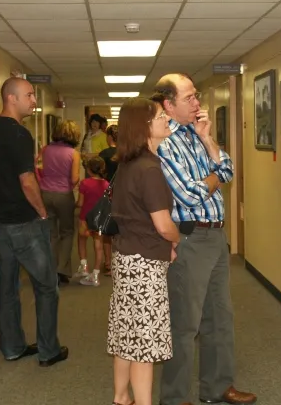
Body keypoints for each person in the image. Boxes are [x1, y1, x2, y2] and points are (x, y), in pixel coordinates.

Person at [152, 74, 256, 405]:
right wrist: (214, 177)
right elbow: (188, 194)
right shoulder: (164, 142)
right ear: (169, 105)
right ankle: (175, 397)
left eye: (197, 96)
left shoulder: (196, 135)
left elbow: (228, 168)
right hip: (190, 239)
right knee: (185, 324)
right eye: (190, 98)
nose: (198, 104)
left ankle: (217, 386)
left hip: (215, 236)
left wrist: (209, 140)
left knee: (219, 316)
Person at [0, 77, 68, 367]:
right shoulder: (19, 134)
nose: (34, 101)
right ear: (11, 98)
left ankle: (12, 347)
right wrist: (42, 211)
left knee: (6, 288)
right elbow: (27, 181)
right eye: (29, 95)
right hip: (23, 223)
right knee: (46, 286)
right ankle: (48, 350)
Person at [108, 97, 179, 405]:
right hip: (144, 266)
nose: (167, 119)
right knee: (144, 346)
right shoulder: (149, 168)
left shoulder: (127, 164)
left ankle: (121, 397)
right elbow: (163, 225)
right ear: (145, 126)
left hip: (126, 259)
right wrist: (176, 240)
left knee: (128, 336)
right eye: (162, 116)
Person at [38, 119, 81, 284]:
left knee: (51, 233)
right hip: (63, 194)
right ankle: (62, 269)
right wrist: (70, 185)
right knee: (67, 232)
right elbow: (75, 178)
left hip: (45, 194)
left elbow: (38, 168)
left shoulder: (46, 149)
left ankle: (51, 268)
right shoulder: (73, 153)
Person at [74, 156, 110, 287]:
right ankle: (95, 274)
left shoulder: (84, 183)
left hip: (85, 217)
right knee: (98, 245)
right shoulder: (106, 184)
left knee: (81, 239)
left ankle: (84, 266)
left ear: (89, 170)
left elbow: (80, 203)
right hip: (99, 219)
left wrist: (75, 205)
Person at [99, 125, 119, 276]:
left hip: (107, 193)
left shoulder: (104, 154)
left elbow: (100, 173)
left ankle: (108, 264)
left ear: (110, 137)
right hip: (124, 195)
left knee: (106, 230)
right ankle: (119, 263)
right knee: (120, 230)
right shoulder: (127, 153)